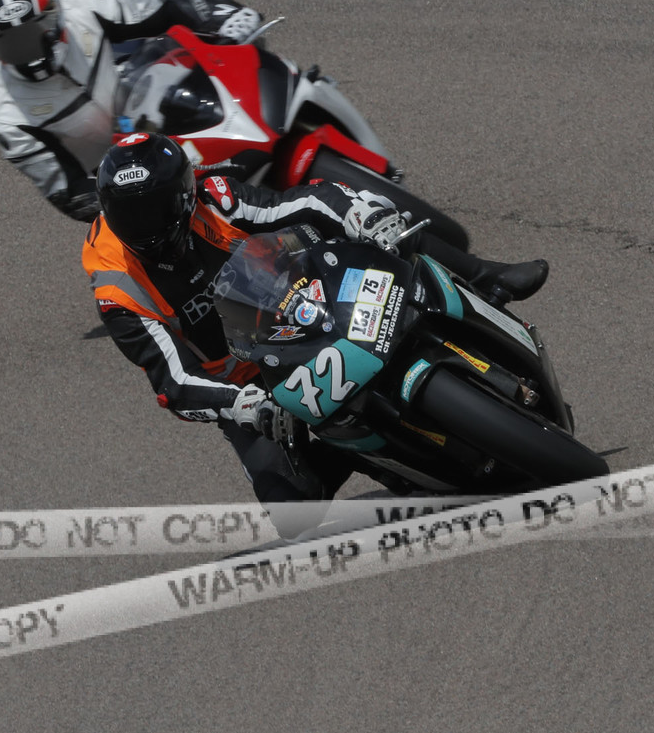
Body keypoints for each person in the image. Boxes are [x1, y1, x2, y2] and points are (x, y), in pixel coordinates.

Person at [82, 131, 549, 511]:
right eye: (128, 214)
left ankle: (484, 278)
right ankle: (363, 450)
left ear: (184, 194)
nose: (144, 225)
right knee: (293, 511)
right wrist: (241, 405)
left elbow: (300, 202)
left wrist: (361, 214)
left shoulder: (213, 197)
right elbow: (174, 381)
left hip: (303, 295)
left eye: (154, 209)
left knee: (390, 235)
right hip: (247, 380)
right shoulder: (116, 289)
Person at [0, 0, 264, 221]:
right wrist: (132, 202)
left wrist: (220, 14)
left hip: (158, 111)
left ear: (54, 14)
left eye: (35, 32)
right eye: (11, 42)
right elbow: (70, 191)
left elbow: (160, 6)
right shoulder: (7, 119)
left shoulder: (84, 10)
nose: (29, 51)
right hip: (132, 179)